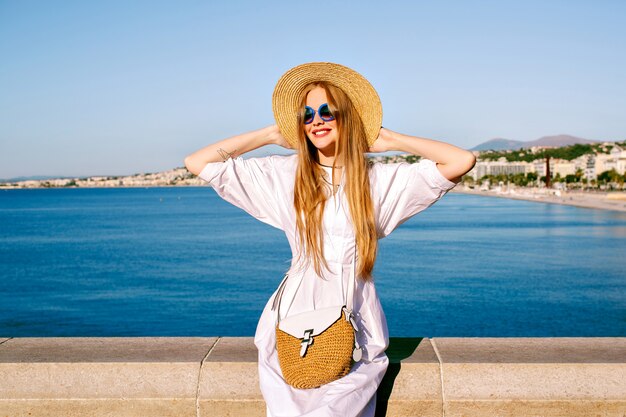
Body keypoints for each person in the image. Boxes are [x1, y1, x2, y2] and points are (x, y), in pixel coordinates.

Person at [184, 62, 475, 417]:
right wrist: (272, 133)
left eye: (327, 111)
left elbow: (461, 160)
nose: (316, 121)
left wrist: (390, 140)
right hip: (292, 321)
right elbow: (199, 162)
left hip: (355, 320)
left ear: (347, 118)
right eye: (306, 115)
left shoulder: (377, 182)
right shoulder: (285, 175)